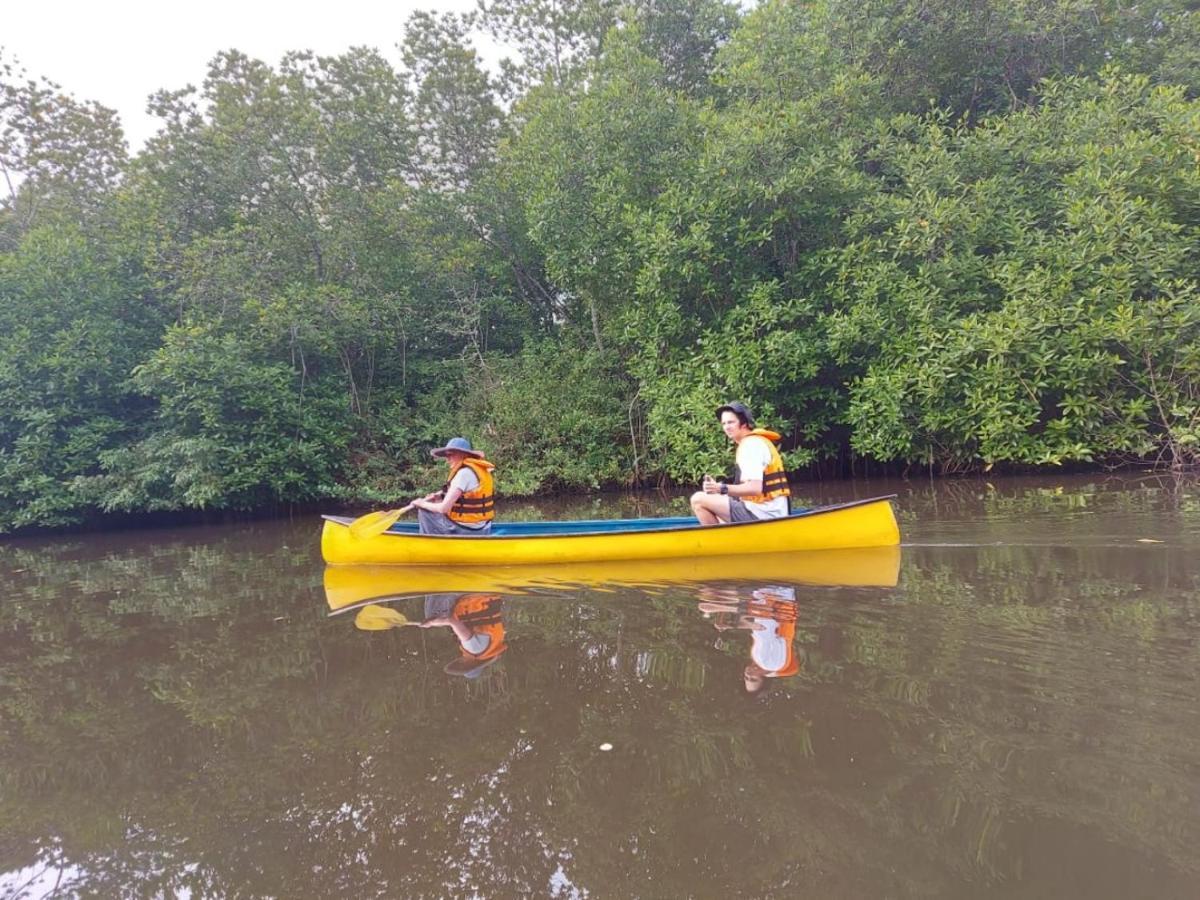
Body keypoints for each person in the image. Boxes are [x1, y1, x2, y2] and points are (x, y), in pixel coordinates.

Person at [690, 402, 791, 526]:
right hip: (767, 512)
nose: (727, 427)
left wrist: (721, 488)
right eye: (724, 423)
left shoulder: (751, 445)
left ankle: (718, 543)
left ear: (744, 423)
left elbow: (754, 489)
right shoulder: (753, 442)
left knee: (698, 500)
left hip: (764, 515)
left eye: (731, 422)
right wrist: (717, 490)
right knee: (716, 514)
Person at [698, 584, 801, 693]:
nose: (748, 675)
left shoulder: (766, 662)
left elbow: (759, 626)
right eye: (753, 679)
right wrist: (726, 609)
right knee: (708, 593)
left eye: (746, 678)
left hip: (775, 597)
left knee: (712, 594)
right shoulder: (767, 662)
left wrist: (729, 623)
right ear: (765, 678)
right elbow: (763, 624)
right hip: (775, 594)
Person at [410, 437, 497, 535]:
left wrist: (421, 503)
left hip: (466, 529)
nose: (448, 460)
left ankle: (429, 545)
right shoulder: (480, 470)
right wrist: (439, 498)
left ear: (463, 454)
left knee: (424, 511)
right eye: (447, 456)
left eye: (451, 455)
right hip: (483, 527)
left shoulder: (463, 474)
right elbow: (463, 500)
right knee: (432, 508)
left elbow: (443, 509)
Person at [419, 592, 508, 678]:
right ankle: (439, 584)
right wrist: (432, 622)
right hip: (472, 596)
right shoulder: (473, 649)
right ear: (467, 664)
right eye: (461, 663)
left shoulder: (492, 646)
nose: (460, 659)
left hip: (487, 595)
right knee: (431, 614)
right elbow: (451, 620)